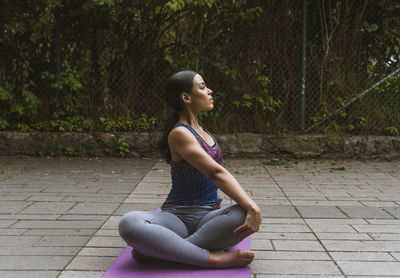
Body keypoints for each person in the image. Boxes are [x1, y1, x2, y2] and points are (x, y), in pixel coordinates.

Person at [118, 70, 262, 268]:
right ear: (186, 97)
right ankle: (211, 259)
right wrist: (252, 206)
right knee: (129, 223)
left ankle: (163, 251)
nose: (210, 91)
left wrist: (248, 209)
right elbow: (215, 173)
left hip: (209, 218)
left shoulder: (204, 132)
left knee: (240, 214)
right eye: (202, 87)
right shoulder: (180, 133)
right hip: (175, 218)